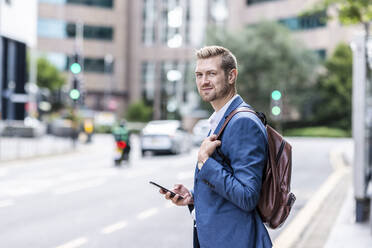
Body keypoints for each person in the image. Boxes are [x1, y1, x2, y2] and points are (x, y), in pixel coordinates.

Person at [159, 46, 272, 247]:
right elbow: (228, 185)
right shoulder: (222, 120)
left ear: (231, 76)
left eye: (211, 73)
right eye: (199, 75)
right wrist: (193, 197)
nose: (204, 81)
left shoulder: (242, 122)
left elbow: (247, 196)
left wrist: (205, 162)